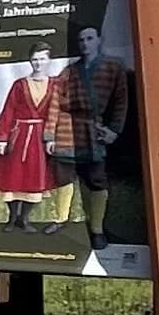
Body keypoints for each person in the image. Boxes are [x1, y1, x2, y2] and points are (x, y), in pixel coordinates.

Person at [50, 24, 134, 246]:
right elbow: (55, 103)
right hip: (67, 130)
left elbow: (121, 101)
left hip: (93, 130)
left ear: (98, 40)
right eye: (81, 40)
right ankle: (61, 220)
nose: (85, 44)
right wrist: (49, 134)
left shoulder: (113, 68)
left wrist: (114, 130)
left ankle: (97, 230)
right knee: (63, 177)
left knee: (97, 180)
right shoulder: (68, 71)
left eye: (89, 39)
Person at [0, 49, 58, 228]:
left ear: (48, 60)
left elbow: (56, 112)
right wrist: (2, 138)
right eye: (34, 59)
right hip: (18, 136)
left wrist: (51, 138)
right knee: (13, 176)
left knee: (34, 177)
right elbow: (8, 111)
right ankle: (12, 218)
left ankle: (24, 219)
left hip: (40, 138)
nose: (38, 63)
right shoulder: (20, 84)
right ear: (30, 61)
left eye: (42, 59)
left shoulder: (55, 85)